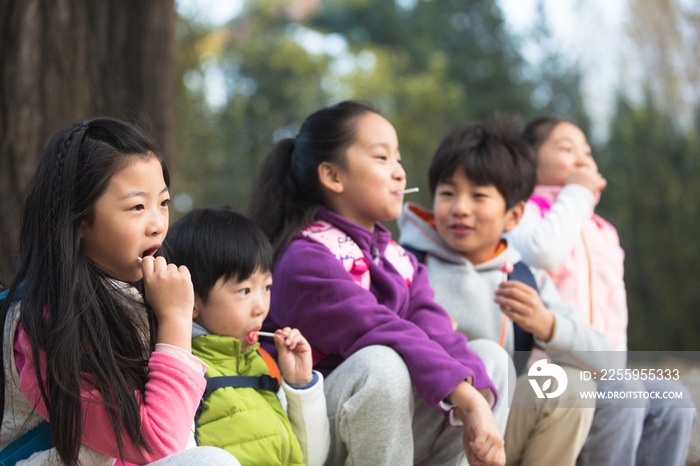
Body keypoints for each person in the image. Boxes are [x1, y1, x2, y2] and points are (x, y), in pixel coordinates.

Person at [249, 101, 509, 466]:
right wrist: (466, 399)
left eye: (399, 160)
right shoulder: (304, 258)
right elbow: (379, 328)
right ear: (333, 176)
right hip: (309, 434)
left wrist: (475, 394)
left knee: (486, 361)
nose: (400, 173)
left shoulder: (400, 260)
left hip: (379, 428)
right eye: (382, 158)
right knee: (381, 363)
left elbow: (437, 332)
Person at [0, 118, 238, 466]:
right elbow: (157, 442)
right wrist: (174, 319)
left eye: (164, 203)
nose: (157, 224)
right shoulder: (43, 324)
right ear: (80, 220)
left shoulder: (140, 297)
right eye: (137, 207)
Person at [397, 120, 608, 466]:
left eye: (479, 195)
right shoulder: (405, 264)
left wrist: (547, 325)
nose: (460, 208)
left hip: (495, 434)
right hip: (420, 436)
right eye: (448, 193)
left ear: (514, 215)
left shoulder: (524, 276)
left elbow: (604, 361)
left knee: (571, 385)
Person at [507, 117, 696, 466]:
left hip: (600, 365)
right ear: (529, 158)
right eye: (565, 149)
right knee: (624, 393)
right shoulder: (526, 213)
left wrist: (615, 366)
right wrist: (576, 193)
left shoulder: (601, 229)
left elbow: (615, 311)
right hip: (547, 369)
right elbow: (542, 253)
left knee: (674, 399)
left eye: (587, 151)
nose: (581, 158)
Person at [162, 207, 330, 466]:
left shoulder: (265, 366)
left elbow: (312, 459)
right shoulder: (182, 374)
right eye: (245, 290)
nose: (261, 306)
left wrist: (300, 385)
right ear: (192, 299)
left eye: (266, 287)